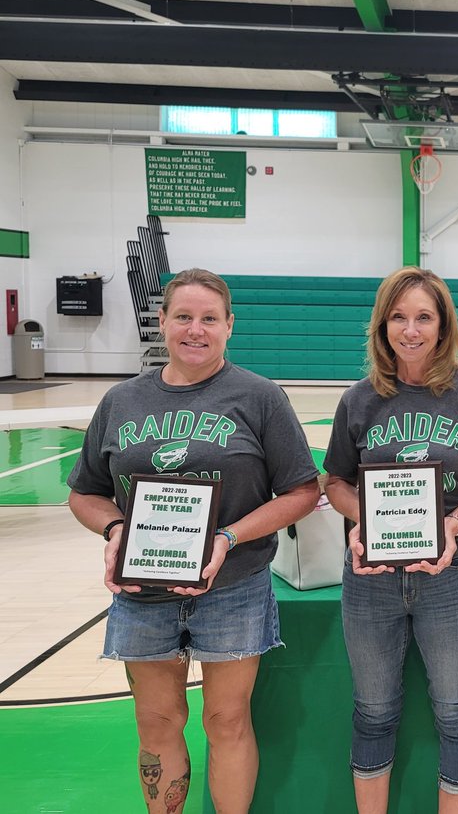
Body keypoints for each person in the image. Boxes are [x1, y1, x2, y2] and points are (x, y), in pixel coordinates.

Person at [68, 268, 320, 814]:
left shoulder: (260, 397)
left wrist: (229, 535)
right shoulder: (121, 401)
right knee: (158, 723)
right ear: (162, 323)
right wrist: (114, 529)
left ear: (230, 326)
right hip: (142, 590)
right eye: (183, 316)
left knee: (226, 721)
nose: (195, 330)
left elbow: (302, 491)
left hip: (233, 586)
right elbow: (85, 493)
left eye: (210, 318)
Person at [323, 267, 458, 814]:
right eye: (399, 317)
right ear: (382, 326)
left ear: (442, 324)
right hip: (371, 579)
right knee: (374, 711)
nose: (411, 330)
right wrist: (365, 520)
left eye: (423, 317)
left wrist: (453, 525)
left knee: (456, 710)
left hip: (450, 576)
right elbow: (335, 481)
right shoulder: (358, 401)